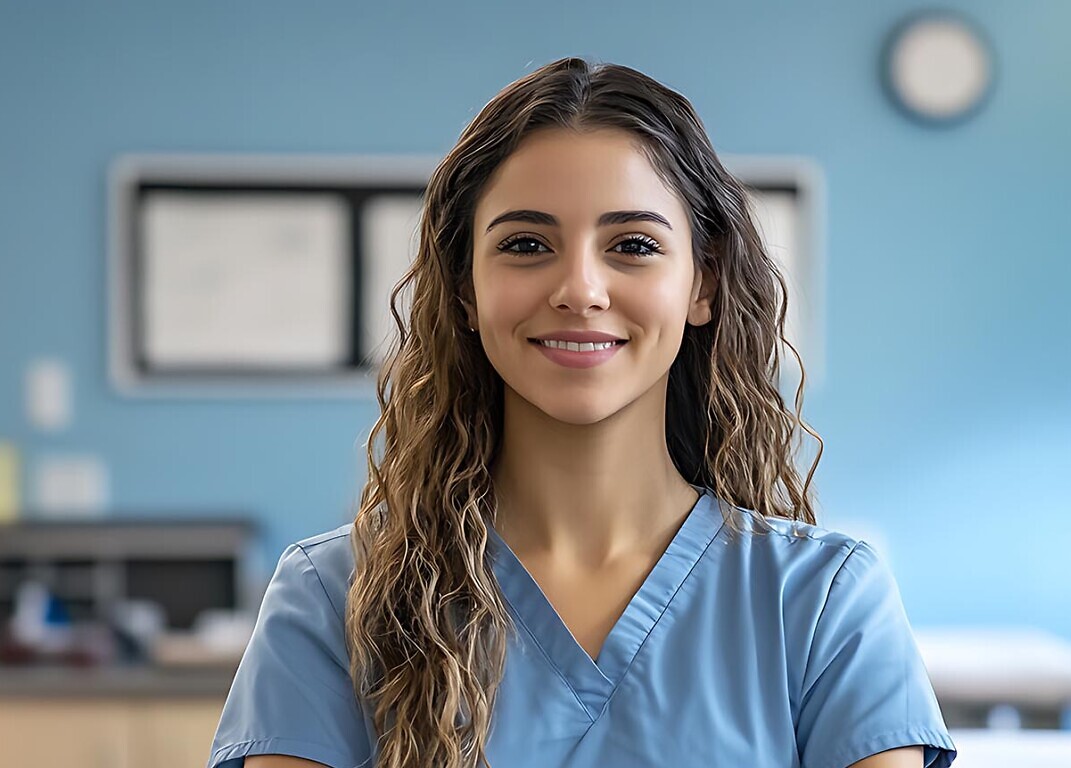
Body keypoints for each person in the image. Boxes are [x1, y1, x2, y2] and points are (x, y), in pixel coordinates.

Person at [208, 57, 956, 768]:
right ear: (465, 289)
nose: (580, 288)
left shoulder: (823, 601)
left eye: (632, 244)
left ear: (704, 284)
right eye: (527, 244)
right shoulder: (331, 599)